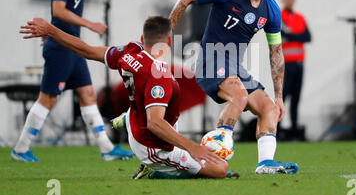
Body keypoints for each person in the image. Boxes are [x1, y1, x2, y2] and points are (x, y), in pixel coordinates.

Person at [19, 16, 228, 179]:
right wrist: (192, 147)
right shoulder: (159, 76)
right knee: (220, 169)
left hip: (136, 122)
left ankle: (127, 120)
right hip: (152, 145)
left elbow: (86, 50)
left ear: (143, 38)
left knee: (151, 107)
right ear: (169, 42)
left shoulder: (129, 52)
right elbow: (155, 123)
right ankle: (158, 170)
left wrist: (51, 31)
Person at [168, 0, 298, 174]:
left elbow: (276, 53)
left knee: (269, 109)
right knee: (240, 95)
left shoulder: (272, 10)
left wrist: (279, 97)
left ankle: (265, 163)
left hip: (236, 68)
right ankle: (213, 155)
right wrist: (165, 33)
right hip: (210, 60)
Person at [11, 0, 133, 162]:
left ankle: (106, 148)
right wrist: (89, 24)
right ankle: (20, 148)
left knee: (87, 93)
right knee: (48, 98)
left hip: (72, 47)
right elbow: (57, 10)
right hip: (62, 47)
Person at [280, 0, 311, 140]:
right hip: (286, 64)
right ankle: (278, 129)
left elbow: (307, 37)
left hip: (299, 63)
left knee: (296, 98)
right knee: (283, 96)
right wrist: (296, 35)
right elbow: (283, 34)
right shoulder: (279, 16)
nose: (289, 0)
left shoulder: (300, 17)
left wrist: (293, 35)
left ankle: (293, 129)